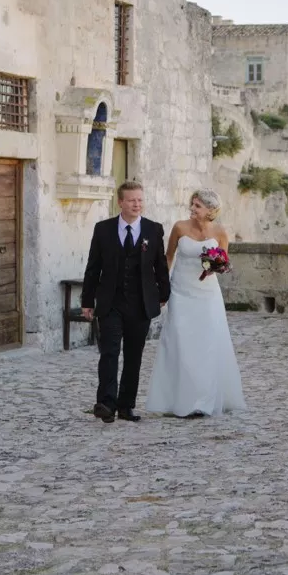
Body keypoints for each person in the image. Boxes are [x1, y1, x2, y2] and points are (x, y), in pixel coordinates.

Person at [145, 188, 246, 418]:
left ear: (210, 210)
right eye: (192, 204)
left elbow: (223, 261)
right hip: (181, 292)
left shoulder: (220, 232)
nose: (192, 209)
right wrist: (162, 288)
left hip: (207, 294)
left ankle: (204, 399)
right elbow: (168, 258)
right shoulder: (179, 228)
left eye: (197, 206)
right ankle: (179, 398)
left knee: (207, 342)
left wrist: (216, 267)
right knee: (180, 341)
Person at [81, 181, 171, 423]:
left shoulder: (153, 229)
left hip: (140, 302)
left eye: (140, 200)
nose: (137, 204)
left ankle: (126, 405)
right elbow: (93, 268)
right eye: (132, 200)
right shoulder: (103, 229)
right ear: (120, 202)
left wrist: (164, 293)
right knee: (109, 352)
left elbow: (160, 265)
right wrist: (87, 301)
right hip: (110, 302)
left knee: (134, 356)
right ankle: (106, 404)